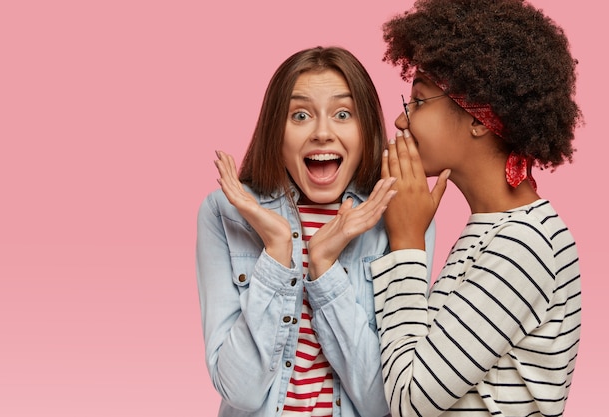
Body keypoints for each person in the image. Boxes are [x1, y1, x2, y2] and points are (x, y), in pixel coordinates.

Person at [196, 46, 435, 416]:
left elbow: (383, 401)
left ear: (367, 126)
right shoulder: (225, 212)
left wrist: (323, 268)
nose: (322, 133)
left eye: (343, 114)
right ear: (276, 128)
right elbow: (238, 392)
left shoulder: (400, 212)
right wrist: (276, 253)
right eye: (301, 115)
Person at [370, 1, 583, 416]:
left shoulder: (525, 245)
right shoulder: (495, 230)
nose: (399, 120)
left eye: (418, 101)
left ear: (480, 118)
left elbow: (411, 402)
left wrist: (407, 244)